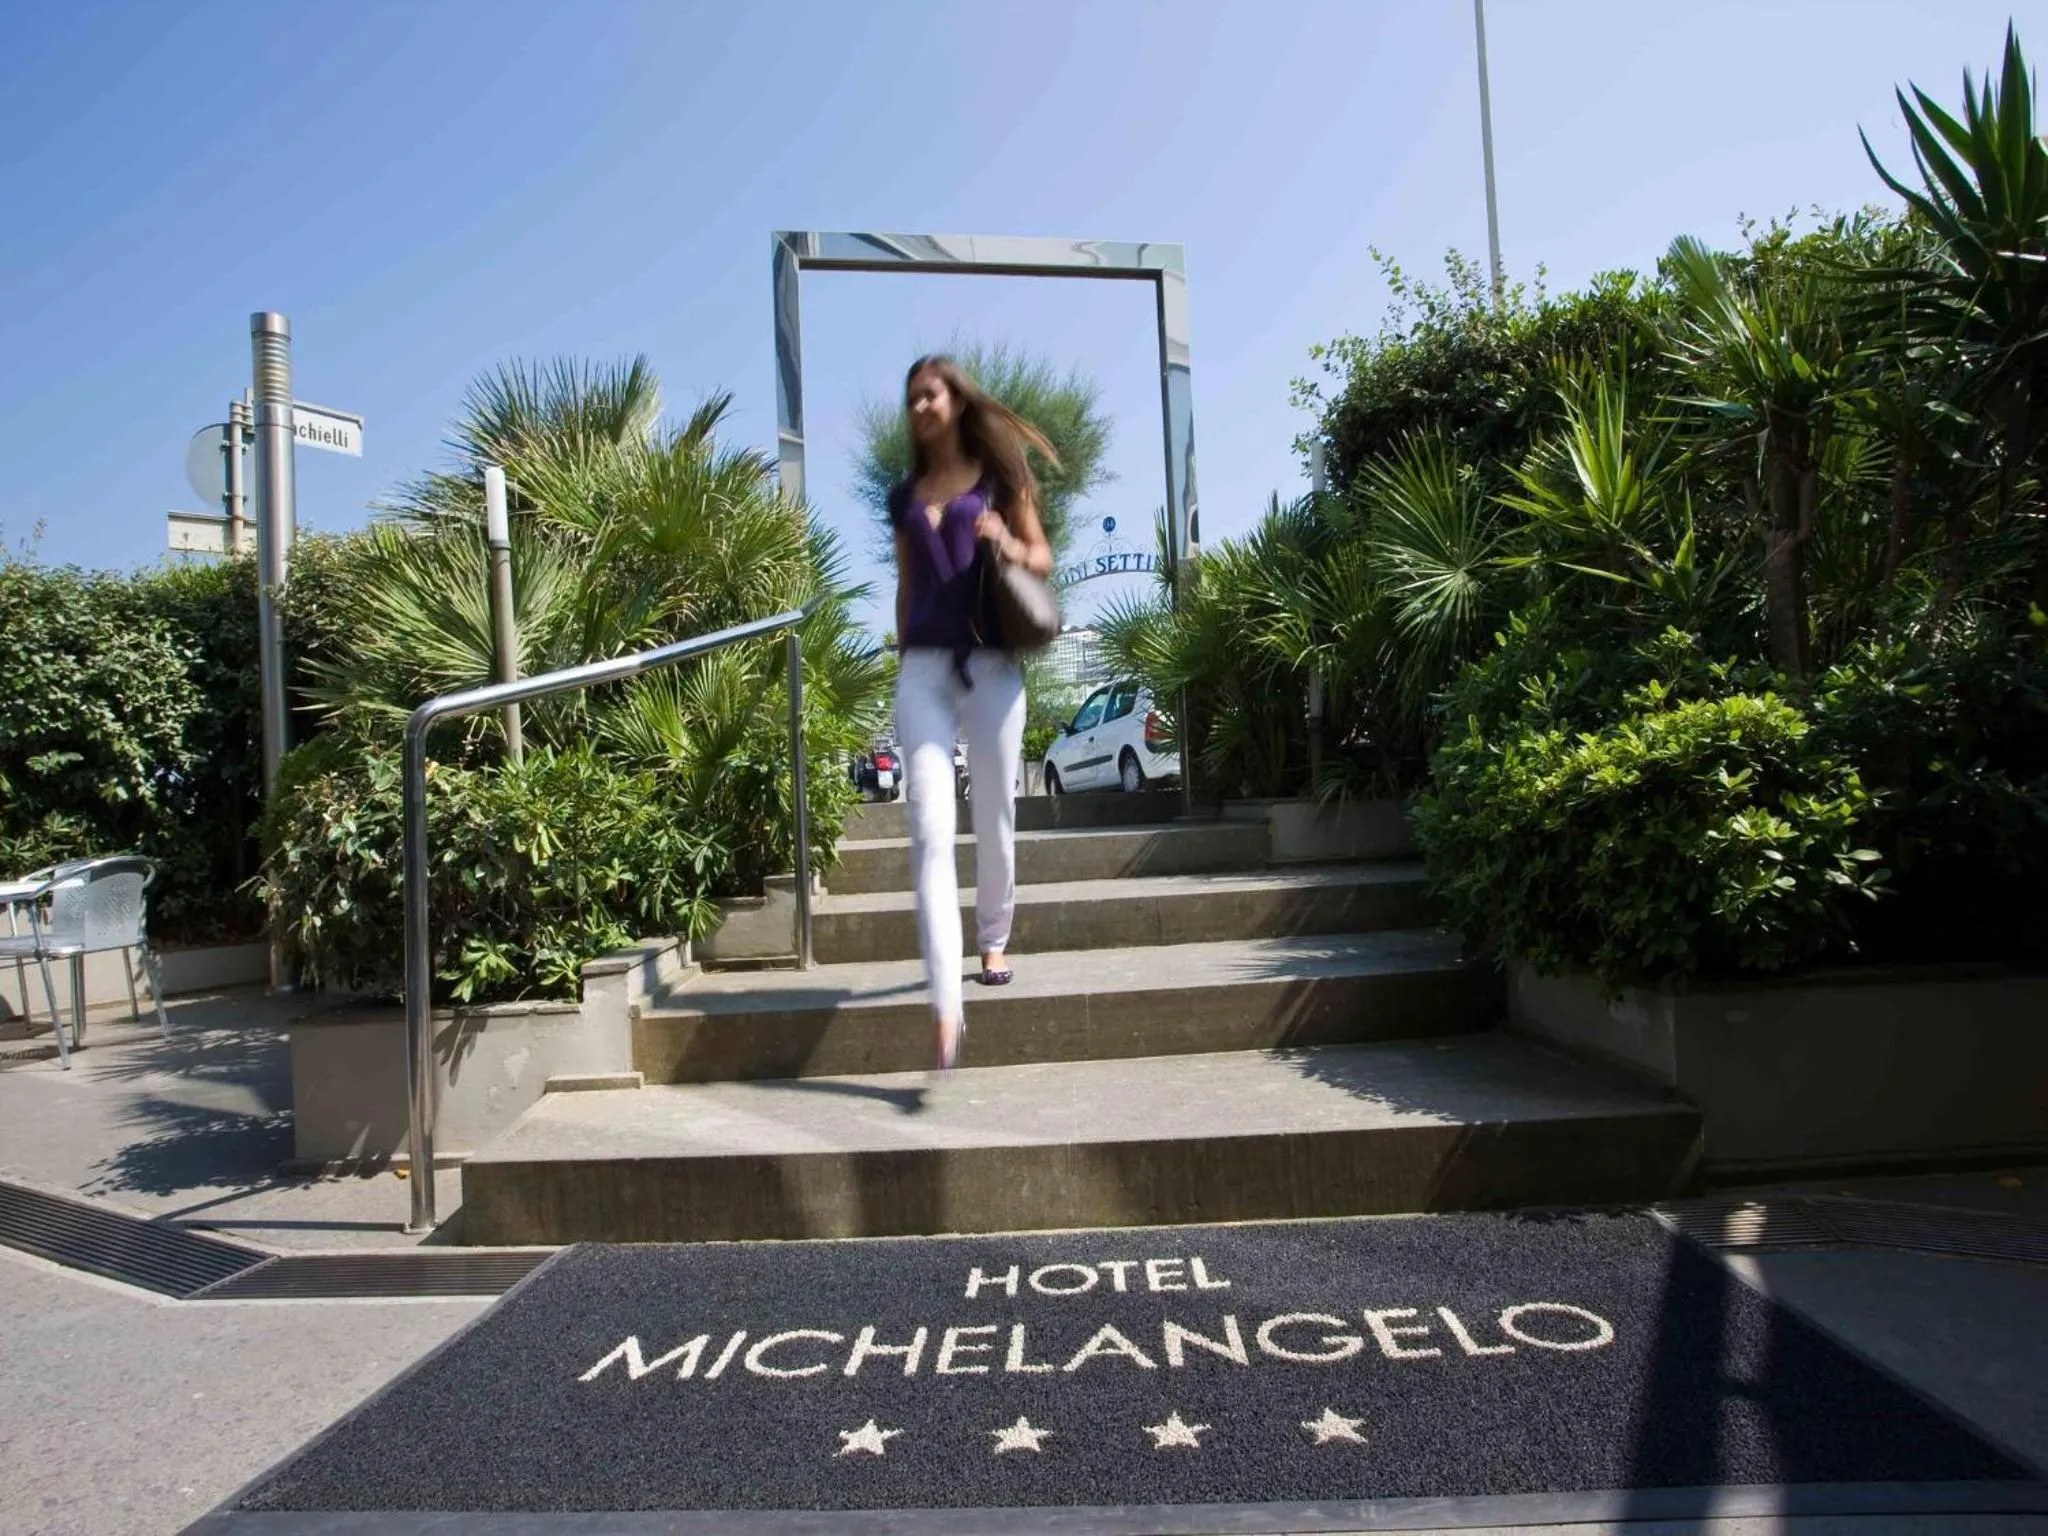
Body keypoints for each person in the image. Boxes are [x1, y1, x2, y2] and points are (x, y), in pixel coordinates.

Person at [887, 355, 1056, 1072]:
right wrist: (902, 656)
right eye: (912, 399)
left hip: (991, 668)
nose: (920, 407)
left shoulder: (999, 480)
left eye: (930, 395)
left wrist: (1004, 540)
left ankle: (993, 940)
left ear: (957, 401)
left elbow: (1040, 557)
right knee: (928, 826)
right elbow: (906, 582)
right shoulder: (903, 496)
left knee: (993, 818)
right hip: (923, 670)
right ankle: (945, 1005)